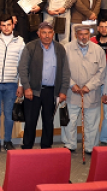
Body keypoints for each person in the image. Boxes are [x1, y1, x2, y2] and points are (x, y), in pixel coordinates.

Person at [18, 21, 70, 149]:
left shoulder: (60, 49)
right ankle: (27, 146)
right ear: (38, 33)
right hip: (33, 91)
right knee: (30, 121)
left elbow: (65, 71)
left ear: (53, 33)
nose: (47, 35)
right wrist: (26, 87)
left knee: (48, 121)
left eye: (49, 32)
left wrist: (63, 90)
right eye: (44, 32)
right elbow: (22, 69)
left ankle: (46, 147)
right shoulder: (30, 47)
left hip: (51, 92)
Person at [61, 25, 105, 155]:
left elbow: (102, 72)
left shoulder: (98, 50)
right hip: (72, 92)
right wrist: (72, 84)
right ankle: (70, 145)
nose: (84, 37)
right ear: (76, 35)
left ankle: (90, 147)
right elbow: (62, 70)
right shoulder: (66, 48)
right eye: (81, 34)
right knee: (70, 121)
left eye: (86, 34)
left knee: (91, 122)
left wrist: (89, 86)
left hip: (91, 92)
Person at [0, 15, 25, 156]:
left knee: (9, 114)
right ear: (0, 26)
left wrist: (21, 85)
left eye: (8, 24)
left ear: (13, 25)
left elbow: (22, 65)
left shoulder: (20, 41)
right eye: (3, 25)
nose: (6, 28)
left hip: (12, 84)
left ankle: (8, 141)